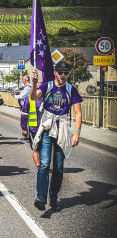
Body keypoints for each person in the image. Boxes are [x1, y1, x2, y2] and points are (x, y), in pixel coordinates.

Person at [30, 61, 83, 211]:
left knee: (59, 168)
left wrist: (77, 133)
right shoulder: (46, 86)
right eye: (61, 72)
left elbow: (78, 113)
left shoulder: (70, 89)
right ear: (55, 72)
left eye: (66, 73)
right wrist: (34, 84)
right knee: (45, 164)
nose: (64, 75)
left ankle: (53, 196)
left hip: (63, 130)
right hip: (47, 127)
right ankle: (41, 197)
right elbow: (33, 97)